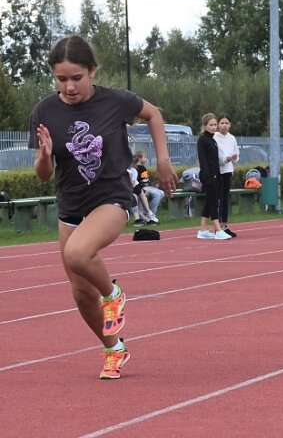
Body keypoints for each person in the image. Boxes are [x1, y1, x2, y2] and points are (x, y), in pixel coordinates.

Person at [28, 34, 178, 379]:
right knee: (81, 294)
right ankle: (114, 348)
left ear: (92, 72)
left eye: (76, 78)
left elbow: (154, 114)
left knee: (78, 254)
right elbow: (42, 175)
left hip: (111, 198)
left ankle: (114, 293)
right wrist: (44, 158)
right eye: (61, 79)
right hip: (70, 206)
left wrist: (164, 160)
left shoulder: (116, 102)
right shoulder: (45, 112)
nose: (69, 86)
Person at [196, 113, 232, 240]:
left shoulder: (212, 140)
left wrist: (218, 175)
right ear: (205, 126)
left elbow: (215, 160)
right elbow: (203, 160)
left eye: (214, 125)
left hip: (216, 175)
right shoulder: (202, 140)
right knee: (213, 202)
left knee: (208, 201)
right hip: (208, 176)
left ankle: (202, 230)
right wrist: (208, 176)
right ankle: (218, 229)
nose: (213, 127)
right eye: (210, 125)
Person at [214, 114, 239, 237]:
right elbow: (216, 156)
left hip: (228, 171)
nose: (224, 125)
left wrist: (233, 158)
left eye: (226, 123)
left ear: (230, 125)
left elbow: (236, 153)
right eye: (222, 123)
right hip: (218, 171)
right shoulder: (215, 137)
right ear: (218, 124)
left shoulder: (232, 138)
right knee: (218, 198)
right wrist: (225, 159)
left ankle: (224, 224)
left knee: (225, 198)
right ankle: (217, 226)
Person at [132, 151, 163, 224]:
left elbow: (146, 180)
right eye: (145, 157)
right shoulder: (135, 168)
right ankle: (150, 215)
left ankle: (150, 213)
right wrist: (143, 189)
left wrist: (154, 185)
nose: (146, 159)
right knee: (158, 194)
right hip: (141, 188)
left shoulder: (143, 168)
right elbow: (136, 182)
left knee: (161, 193)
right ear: (139, 158)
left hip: (147, 187)